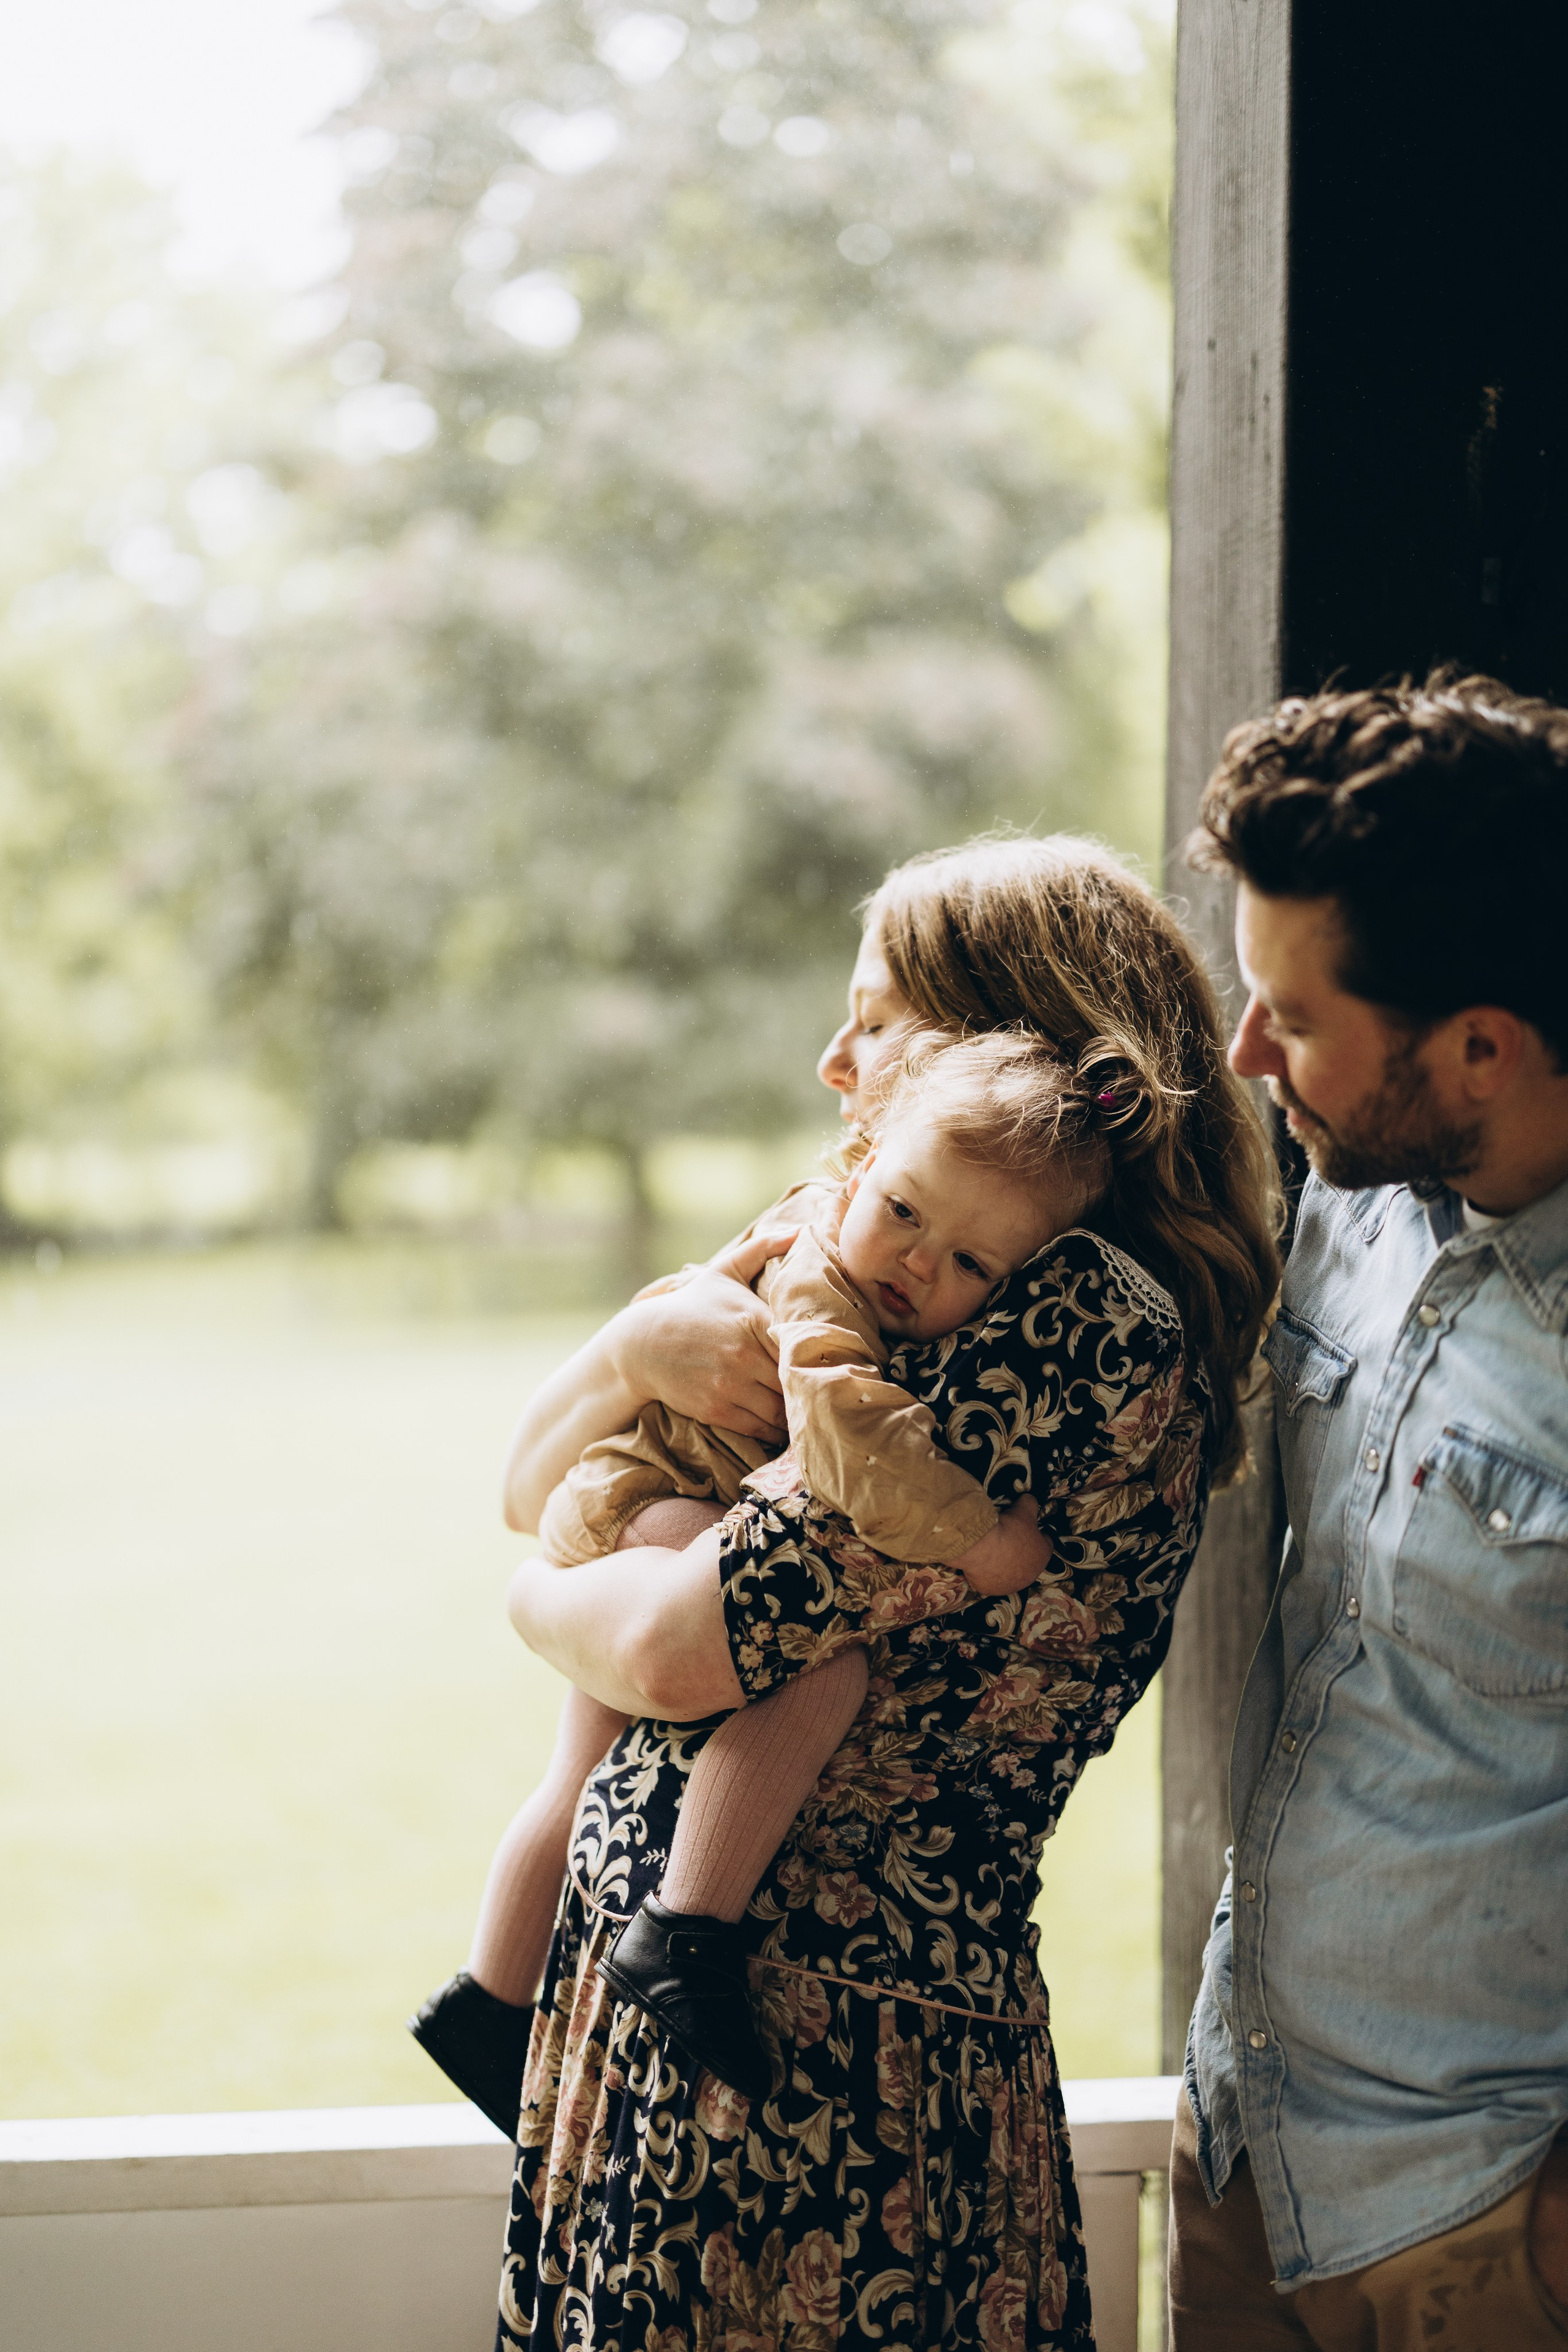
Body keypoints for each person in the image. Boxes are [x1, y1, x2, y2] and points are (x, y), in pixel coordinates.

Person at [486, 834, 1281, 2351]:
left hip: (824, 2072)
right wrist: (625, 1360)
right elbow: (524, 1480)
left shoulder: (1066, 1322)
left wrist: (531, 1603)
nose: (834, 1060)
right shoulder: (894, 1254)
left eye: (880, 1022)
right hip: (698, 2013)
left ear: (1014, 1057)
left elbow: (668, 1645)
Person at [412, 1028, 1110, 2112]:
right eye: (908, 1215)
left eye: (973, 1264)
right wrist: (981, 1543)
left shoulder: (846, 1232)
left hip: (628, 1492)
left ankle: (487, 2007)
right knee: (818, 1668)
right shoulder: (823, 1276)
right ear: (866, 1160)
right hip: (643, 1502)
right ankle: (688, 1932)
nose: (920, 1264)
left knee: (577, 1772)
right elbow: (849, 1437)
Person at [1172, 673, 1568, 2350]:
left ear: (1480, 1044)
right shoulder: (1354, 1196)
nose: (1251, 1057)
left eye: (1296, 1018)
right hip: (1244, 2149)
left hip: (1485, 2215)